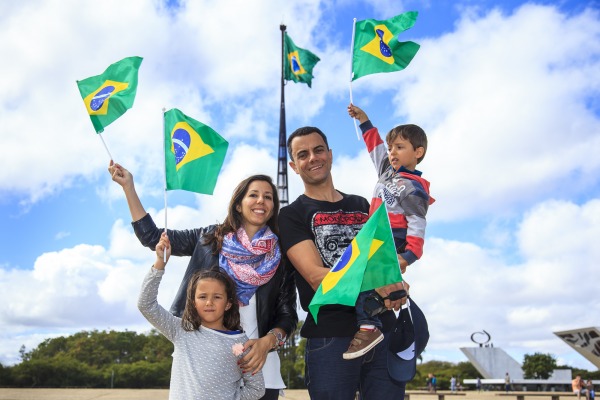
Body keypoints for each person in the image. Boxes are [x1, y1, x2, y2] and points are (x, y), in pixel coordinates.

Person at [109, 162, 298, 400]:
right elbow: (153, 237)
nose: (261, 200)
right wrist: (129, 188)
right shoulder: (209, 238)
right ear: (239, 204)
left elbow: (288, 315)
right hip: (204, 363)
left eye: (268, 197)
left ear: (273, 208)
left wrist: (267, 342)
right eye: (254, 195)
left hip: (259, 365)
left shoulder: (281, 257)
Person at [278, 126, 407, 399]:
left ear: (330, 154)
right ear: (294, 165)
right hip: (331, 337)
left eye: (318, 150)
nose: (313, 157)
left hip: (382, 329)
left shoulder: (362, 204)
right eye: (303, 154)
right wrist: (377, 282)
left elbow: (384, 261)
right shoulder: (291, 215)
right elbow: (314, 275)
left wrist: (395, 281)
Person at [346, 104, 434, 360]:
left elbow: (417, 222)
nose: (392, 152)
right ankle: (390, 297)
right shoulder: (387, 171)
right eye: (392, 147)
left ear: (418, 152)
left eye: (400, 147)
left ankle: (369, 327)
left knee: (364, 279)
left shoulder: (413, 187)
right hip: (374, 236)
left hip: (393, 239)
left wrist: (409, 255)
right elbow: (374, 147)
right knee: (365, 280)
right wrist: (364, 120)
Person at [138, 232, 265, 399]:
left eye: (217, 297)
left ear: (228, 303)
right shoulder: (181, 330)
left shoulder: (241, 344)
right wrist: (160, 263)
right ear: (193, 302)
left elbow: (256, 389)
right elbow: (146, 305)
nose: (209, 302)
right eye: (202, 297)